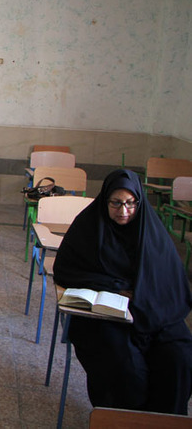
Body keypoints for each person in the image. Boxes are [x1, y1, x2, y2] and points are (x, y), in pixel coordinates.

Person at [54, 168, 192, 414]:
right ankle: (122, 420)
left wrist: (141, 294)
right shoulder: (88, 228)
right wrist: (116, 286)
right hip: (105, 318)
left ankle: (164, 421)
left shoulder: (152, 233)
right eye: (116, 203)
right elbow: (66, 270)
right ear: (105, 200)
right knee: (126, 368)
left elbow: (170, 281)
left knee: (179, 358)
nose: (123, 210)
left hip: (153, 313)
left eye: (130, 203)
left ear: (139, 202)